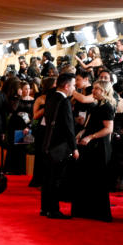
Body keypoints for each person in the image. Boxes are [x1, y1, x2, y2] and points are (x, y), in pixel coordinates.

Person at [72, 80, 115, 221]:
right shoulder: (96, 105)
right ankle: (85, 210)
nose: (94, 91)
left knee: (97, 178)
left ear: (104, 91)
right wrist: (82, 132)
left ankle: (98, 212)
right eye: (94, 88)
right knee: (86, 176)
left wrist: (91, 136)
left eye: (97, 89)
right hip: (90, 144)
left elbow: (109, 128)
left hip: (99, 147)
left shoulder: (107, 107)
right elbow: (90, 124)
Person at [40, 72, 78, 218]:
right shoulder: (64, 102)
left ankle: (45, 208)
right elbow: (69, 127)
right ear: (67, 86)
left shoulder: (51, 98)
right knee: (56, 179)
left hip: (47, 143)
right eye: (73, 86)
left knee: (47, 178)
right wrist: (74, 147)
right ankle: (53, 210)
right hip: (59, 146)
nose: (73, 88)